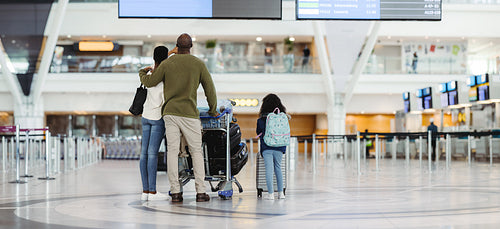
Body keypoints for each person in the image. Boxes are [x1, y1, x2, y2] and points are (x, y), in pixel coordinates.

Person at [140, 33, 218, 203]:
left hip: (170, 114)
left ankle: (175, 192)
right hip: (189, 114)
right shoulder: (198, 64)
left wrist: (142, 73)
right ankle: (200, 192)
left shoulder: (168, 63)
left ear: (176, 46)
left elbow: (151, 81)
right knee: (196, 152)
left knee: (173, 152)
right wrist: (213, 110)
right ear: (190, 47)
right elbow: (210, 89)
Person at [139, 46, 176, 201]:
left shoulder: (148, 73)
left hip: (145, 116)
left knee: (144, 154)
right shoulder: (165, 75)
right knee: (153, 154)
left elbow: (156, 63)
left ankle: (145, 192)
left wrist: (169, 53)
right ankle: (153, 192)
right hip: (157, 118)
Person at [256, 93, 287, 200]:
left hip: (267, 147)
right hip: (280, 146)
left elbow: (258, 132)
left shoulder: (261, 120)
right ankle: (281, 193)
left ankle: (270, 194)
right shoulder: (282, 118)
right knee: (278, 168)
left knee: (269, 170)